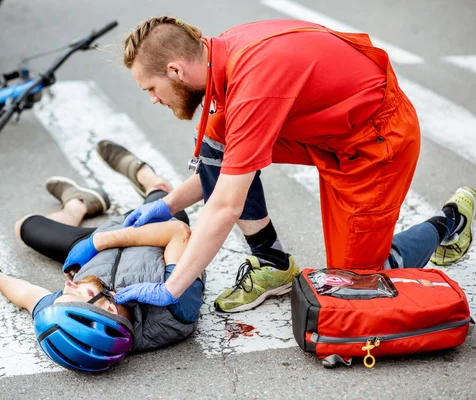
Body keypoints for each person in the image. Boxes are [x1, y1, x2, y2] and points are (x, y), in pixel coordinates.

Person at [112, 16, 476, 313]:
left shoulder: (253, 86)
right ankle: (272, 263)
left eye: (150, 88)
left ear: (175, 71)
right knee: (219, 130)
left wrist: (172, 288)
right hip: (330, 132)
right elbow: (228, 161)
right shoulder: (222, 52)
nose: (153, 100)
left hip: (376, 142)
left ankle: (450, 221)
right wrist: (167, 206)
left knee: (356, 285)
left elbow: (225, 204)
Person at [0, 140, 204, 372]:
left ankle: (77, 204)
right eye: (74, 293)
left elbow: (27, 296)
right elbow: (176, 233)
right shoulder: (176, 307)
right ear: (110, 309)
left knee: (25, 226)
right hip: (154, 228)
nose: (67, 285)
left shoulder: (75, 312)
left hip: (97, 246)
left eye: (62, 295)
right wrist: (101, 241)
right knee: (161, 196)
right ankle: (145, 175)